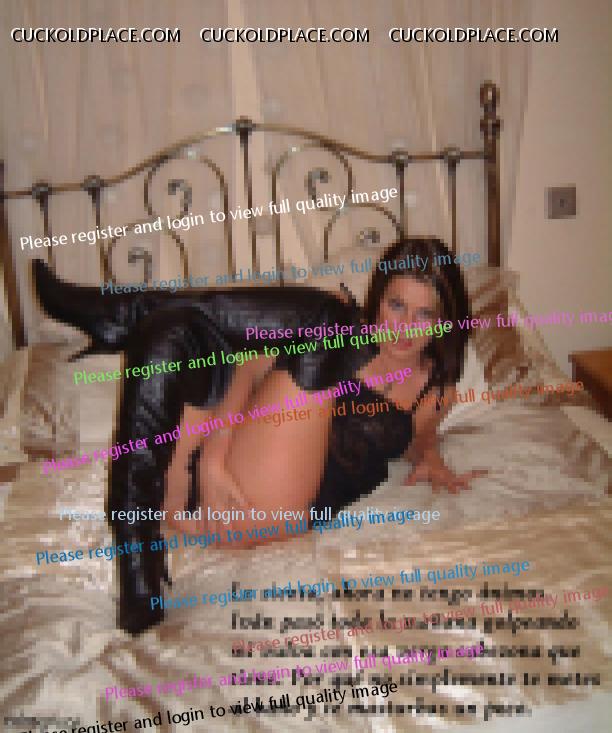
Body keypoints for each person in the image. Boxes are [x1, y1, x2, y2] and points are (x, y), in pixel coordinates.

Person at [34, 237, 484, 635]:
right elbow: (246, 369)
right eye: (396, 306)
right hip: (206, 486)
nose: (404, 327)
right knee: (182, 334)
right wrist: (212, 459)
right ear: (378, 299)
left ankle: (130, 313)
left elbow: (420, 437)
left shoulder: (435, 388)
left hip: (264, 509)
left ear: (446, 320)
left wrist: (431, 455)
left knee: (317, 319)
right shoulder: (346, 333)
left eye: (425, 314)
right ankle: (139, 571)